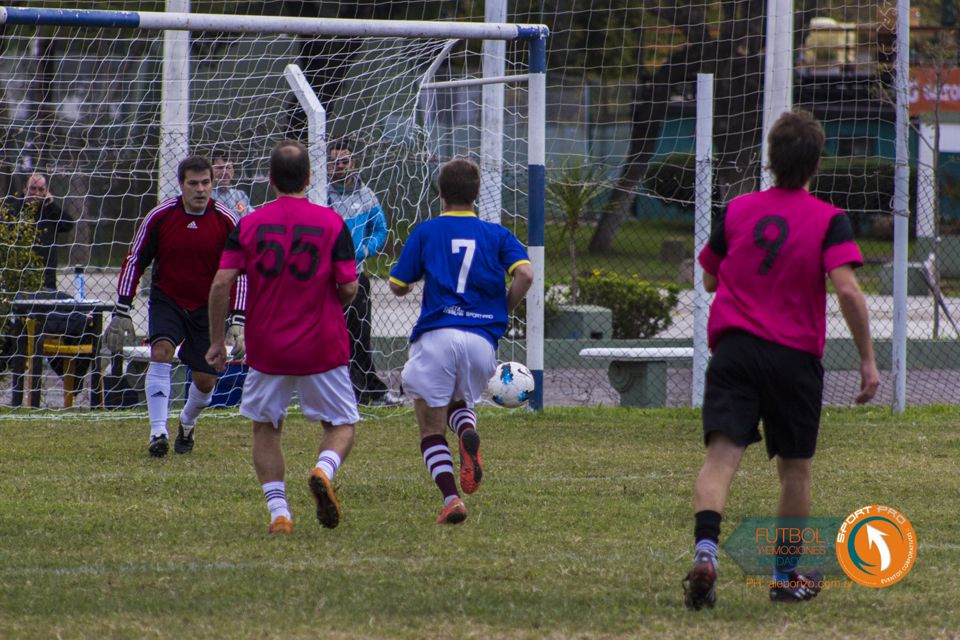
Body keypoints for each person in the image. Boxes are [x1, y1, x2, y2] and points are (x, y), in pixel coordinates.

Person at [682, 110, 880, 610]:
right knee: (795, 471)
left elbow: (709, 278)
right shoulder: (829, 220)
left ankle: (706, 553)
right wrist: (867, 360)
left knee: (720, 459)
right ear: (817, 163)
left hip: (734, 352)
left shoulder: (738, 210)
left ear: (769, 160)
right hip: (793, 359)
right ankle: (785, 576)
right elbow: (848, 290)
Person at [207, 140, 360, 535]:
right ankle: (323, 469)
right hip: (322, 344)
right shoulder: (332, 222)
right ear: (309, 178)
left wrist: (216, 341)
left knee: (266, 428)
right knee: (342, 424)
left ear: (271, 180)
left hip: (268, 347)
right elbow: (348, 287)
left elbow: (222, 283)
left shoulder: (249, 223)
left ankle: (279, 513)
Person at [389, 158, 533, 525]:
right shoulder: (497, 234)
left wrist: (412, 278)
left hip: (437, 335)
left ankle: (452, 499)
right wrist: (502, 309)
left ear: (440, 194)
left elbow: (398, 285)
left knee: (429, 425)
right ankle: (467, 431)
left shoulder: (427, 231)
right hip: (481, 340)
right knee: (460, 402)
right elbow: (526, 275)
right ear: (476, 194)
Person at [104, 156, 247, 458]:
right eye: (193, 183)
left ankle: (187, 422)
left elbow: (242, 271)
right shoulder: (160, 216)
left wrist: (239, 320)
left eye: (205, 183)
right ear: (181, 185)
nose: (200, 189)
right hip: (167, 299)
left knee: (206, 380)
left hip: (209, 308)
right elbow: (135, 259)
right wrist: (122, 309)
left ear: (212, 184)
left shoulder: (227, 220)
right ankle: (158, 432)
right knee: (161, 353)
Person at [327, 140, 399, 406]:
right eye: (334, 162)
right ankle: (337, 390)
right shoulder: (321, 195)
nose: (339, 166)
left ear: (353, 163)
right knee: (331, 336)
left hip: (356, 276)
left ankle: (369, 390)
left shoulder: (366, 195)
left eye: (344, 161)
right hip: (325, 280)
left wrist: (365, 249)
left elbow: (380, 229)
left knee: (359, 335)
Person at [3, 173, 76, 290]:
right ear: (25, 189)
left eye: (41, 190)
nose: (36, 193)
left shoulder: (50, 212)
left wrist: (51, 205)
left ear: (46, 192)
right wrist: (23, 202)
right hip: (19, 278)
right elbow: (7, 224)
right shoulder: (14, 210)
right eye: (33, 188)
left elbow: (68, 224)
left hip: (47, 278)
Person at [212, 150, 254, 219]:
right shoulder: (207, 197)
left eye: (228, 168)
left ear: (233, 171)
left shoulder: (240, 196)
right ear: (211, 170)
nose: (225, 172)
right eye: (220, 168)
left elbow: (253, 218)